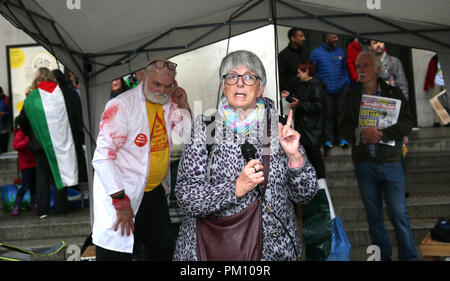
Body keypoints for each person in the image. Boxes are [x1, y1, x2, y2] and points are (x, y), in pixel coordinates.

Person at [173, 50, 318, 261]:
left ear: (261, 88)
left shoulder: (279, 128)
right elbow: (185, 197)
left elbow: (305, 194)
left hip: (273, 251)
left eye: (249, 77)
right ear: (224, 86)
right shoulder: (205, 129)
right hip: (214, 249)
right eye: (232, 76)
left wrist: (295, 158)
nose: (240, 83)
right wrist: (236, 188)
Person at [91, 58, 191, 261]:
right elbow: (102, 158)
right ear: (144, 77)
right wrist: (120, 201)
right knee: (116, 255)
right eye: (157, 84)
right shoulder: (122, 105)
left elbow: (187, 133)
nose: (163, 90)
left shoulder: (168, 103)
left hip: (153, 191)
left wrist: (184, 105)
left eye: (168, 85)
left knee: (163, 251)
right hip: (122, 193)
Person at [340, 51, 417, 261]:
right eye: (358, 66)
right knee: (374, 219)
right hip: (364, 164)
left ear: (377, 68)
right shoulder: (351, 95)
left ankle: (409, 258)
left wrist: (383, 133)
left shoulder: (394, 92)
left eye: (365, 65)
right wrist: (360, 132)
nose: (361, 70)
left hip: (391, 162)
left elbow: (408, 123)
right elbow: (343, 127)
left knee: (399, 215)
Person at [283, 59, 331, 260]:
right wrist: (291, 99)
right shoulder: (306, 86)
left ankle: (320, 187)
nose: (297, 73)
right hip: (307, 132)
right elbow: (303, 103)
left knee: (314, 164)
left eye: (300, 70)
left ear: (306, 71)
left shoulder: (316, 86)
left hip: (312, 134)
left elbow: (315, 107)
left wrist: (299, 103)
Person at [18, 68, 78, 219]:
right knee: (60, 172)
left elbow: (22, 121)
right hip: (61, 143)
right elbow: (73, 116)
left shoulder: (31, 98)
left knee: (42, 176)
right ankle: (62, 207)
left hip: (39, 145)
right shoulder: (63, 93)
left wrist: (32, 134)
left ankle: (42, 210)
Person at [310, 33, 351, 151]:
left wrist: (346, 83)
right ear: (327, 38)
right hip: (326, 90)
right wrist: (321, 85)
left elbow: (345, 68)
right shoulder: (316, 53)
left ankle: (342, 138)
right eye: (334, 37)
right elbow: (313, 71)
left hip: (341, 88)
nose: (337, 39)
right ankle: (328, 140)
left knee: (341, 113)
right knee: (328, 114)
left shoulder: (340, 51)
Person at [11, 115, 37, 216]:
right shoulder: (20, 134)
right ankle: (16, 205)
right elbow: (16, 146)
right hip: (25, 165)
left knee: (34, 185)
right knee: (25, 185)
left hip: (33, 162)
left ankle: (34, 204)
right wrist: (27, 141)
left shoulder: (30, 133)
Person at [278, 28, 308, 95]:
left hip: (306, 92)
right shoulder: (283, 55)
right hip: (292, 94)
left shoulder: (305, 52)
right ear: (293, 38)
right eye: (301, 36)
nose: (304, 38)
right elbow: (281, 78)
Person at [424, 55, 447, 127]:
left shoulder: (447, 58)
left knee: (446, 102)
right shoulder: (434, 60)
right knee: (436, 102)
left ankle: (447, 121)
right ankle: (436, 121)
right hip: (436, 83)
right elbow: (429, 72)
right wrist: (426, 86)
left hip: (446, 83)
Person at [0, 86, 10, 153]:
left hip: (4, 127)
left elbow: (10, 112)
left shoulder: (6, 100)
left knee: (4, 147)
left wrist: (4, 113)